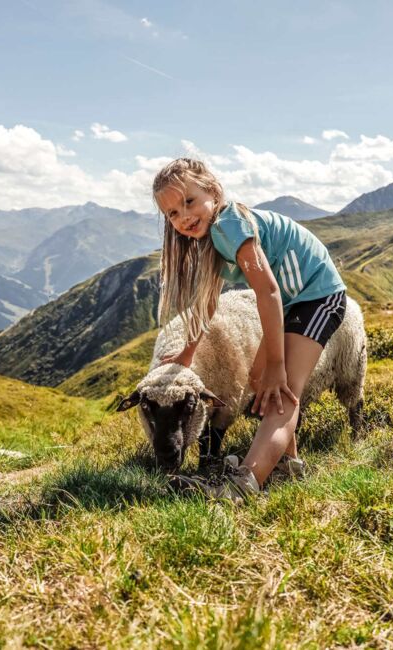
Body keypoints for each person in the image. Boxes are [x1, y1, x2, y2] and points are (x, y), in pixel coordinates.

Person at [153, 158, 347, 501]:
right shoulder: (207, 237)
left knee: (282, 392)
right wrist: (186, 354)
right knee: (260, 384)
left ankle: (244, 485)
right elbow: (208, 303)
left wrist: (276, 364)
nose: (183, 216)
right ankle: (288, 466)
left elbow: (269, 291)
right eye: (172, 213)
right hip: (293, 302)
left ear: (213, 192)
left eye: (189, 201)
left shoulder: (229, 227)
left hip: (318, 295)